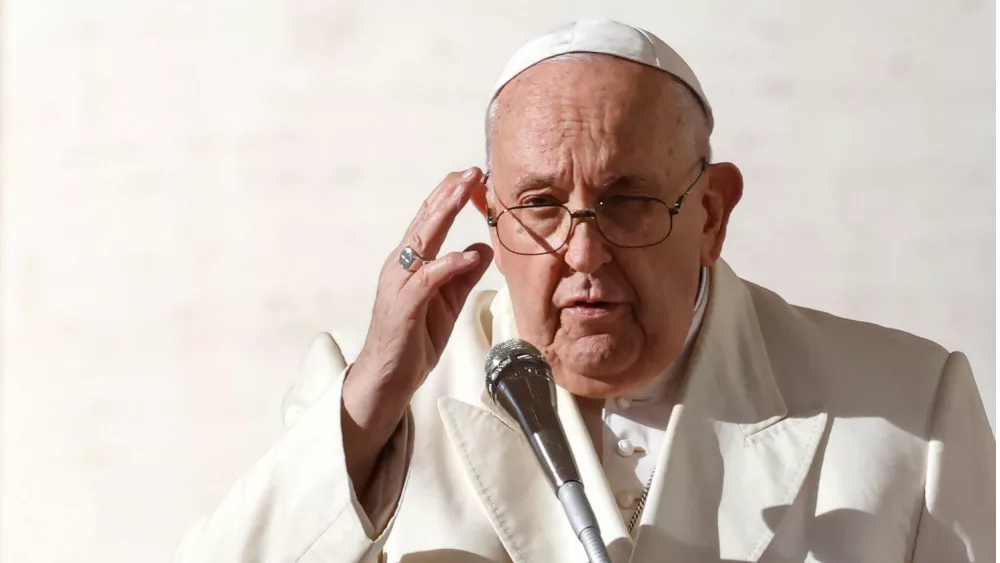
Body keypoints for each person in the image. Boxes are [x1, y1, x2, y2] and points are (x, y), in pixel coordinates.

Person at [175, 19, 994, 563]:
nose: (583, 250)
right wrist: (369, 408)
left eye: (628, 200)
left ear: (710, 213)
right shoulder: (377, 407)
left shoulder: (908, 410)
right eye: (539, 206)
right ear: (491, 219)